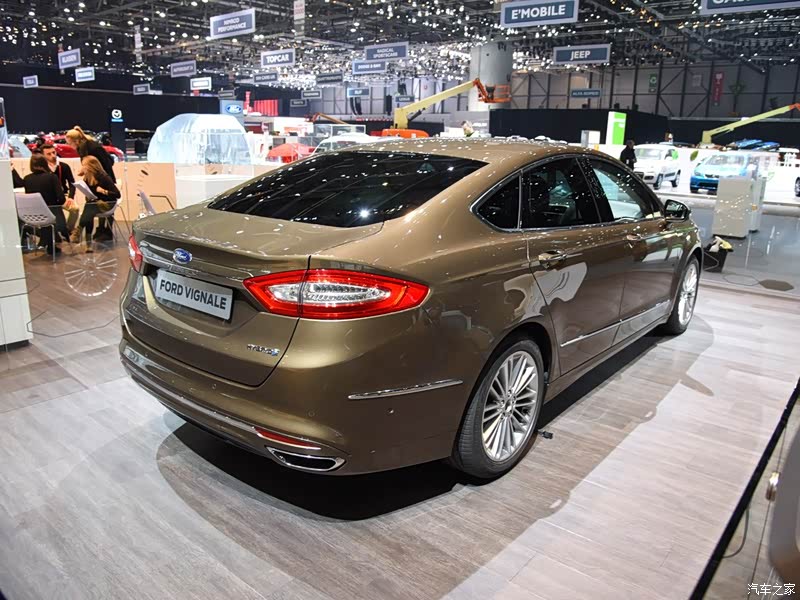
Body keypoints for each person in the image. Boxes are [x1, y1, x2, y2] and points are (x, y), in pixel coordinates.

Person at [66, 125, 117, 241]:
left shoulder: (92, 148)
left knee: (93, 205)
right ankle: (89, 232)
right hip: (94, 180)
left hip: (103, 180)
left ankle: (99, 231)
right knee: (91, 205)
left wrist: (94, 172)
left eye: (69, 143)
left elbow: (108, 162)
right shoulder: (83, 147)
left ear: (76, 141)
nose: (69, 146)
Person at [22, 154, 70, 255]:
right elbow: (61, 199)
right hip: (51, 214)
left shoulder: (26, 179)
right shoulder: (52, 177)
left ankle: (45, 240)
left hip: (33, 215)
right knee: (53, 212)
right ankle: (52, 243)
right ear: (45, 164)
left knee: (47, 216)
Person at [77, 156, 120, 253]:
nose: (82, 167)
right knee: (89, 209)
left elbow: (117, 194)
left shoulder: (104, 177)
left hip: (108, 204)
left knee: (89, 208)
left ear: (91, 166)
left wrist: (103, 191)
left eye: (84, 165)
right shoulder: (88, 178)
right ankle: (87, 243)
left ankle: (80, 231)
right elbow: (92, 193)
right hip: (96, 204)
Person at [40, 143, 79, 239]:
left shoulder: (64, 166)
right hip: (48, 199)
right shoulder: (42, 168)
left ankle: (68, 229)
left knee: (75, 209)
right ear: (43, 155)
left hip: (63, 196)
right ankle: (55, 233)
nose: (53, 155)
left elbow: (72, 183)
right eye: (49, 154)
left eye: (54, 152)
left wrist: (70, 197)